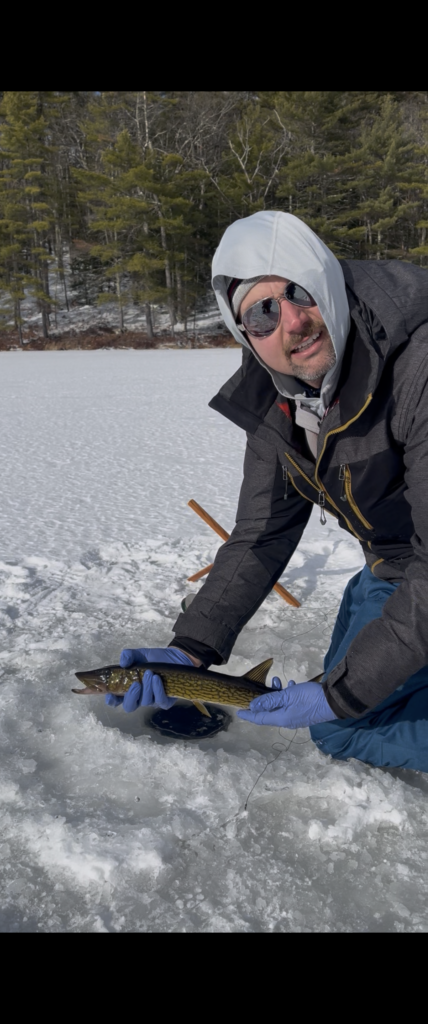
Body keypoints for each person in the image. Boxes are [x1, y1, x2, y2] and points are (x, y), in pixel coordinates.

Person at [107, 210, 428, 773]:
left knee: (341, 727)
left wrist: (338, 698)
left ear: (328, 284)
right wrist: (192, 649)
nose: (294, 322)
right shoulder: (279, 400)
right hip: (393, 567)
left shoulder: (418, 369)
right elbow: (262, 532)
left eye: (299, 291)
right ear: (243, 333)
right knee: (353, 676)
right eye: (261, 313)